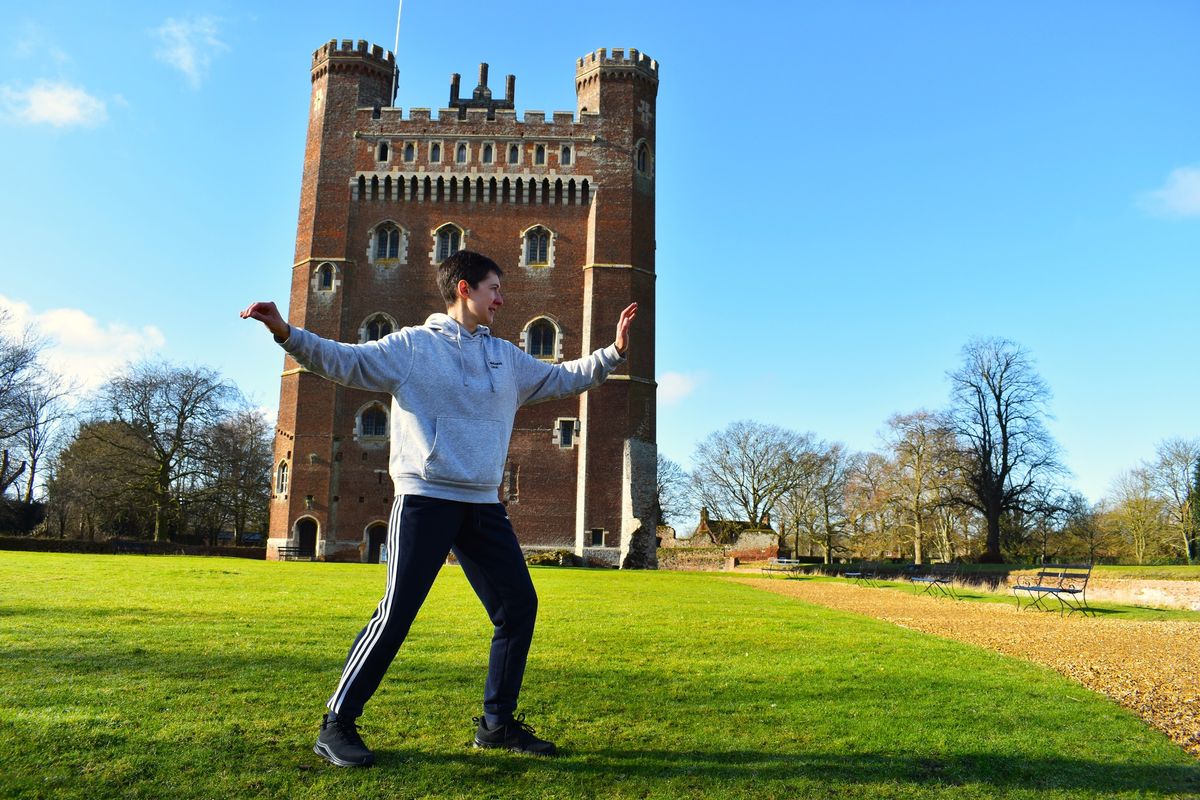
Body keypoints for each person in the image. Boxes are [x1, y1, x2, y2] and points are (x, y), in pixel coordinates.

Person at [240, 250, 637, 768]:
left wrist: (613, 352)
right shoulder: (413, 348)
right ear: (465, 289)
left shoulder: (506, 357)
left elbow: (563, 377)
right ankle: (337, 722)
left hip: (481, 505)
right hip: (425, 498)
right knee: (398, 611)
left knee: (518, 607)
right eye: (495, 288)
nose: (502, 298)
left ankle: (496, 725)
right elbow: (345, 360)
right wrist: (286, 333)